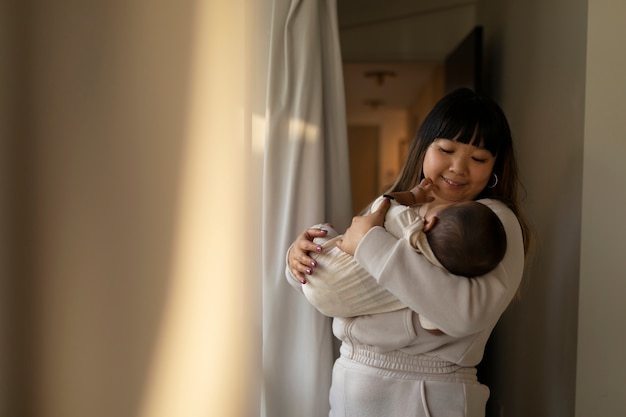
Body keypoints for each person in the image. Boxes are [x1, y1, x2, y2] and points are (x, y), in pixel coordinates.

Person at [285, 87, 532, 417]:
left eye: (478, 158)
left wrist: (372, 245)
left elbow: (465, 313)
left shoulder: (491, 223)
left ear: (495, 166)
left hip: (425, 395)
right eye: (446, 149)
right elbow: (346, 277)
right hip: (351, 383)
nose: (458, 167)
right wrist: (301, 260)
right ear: (424, 148)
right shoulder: (395, 205)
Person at [299, 179, 507, 336]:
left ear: (430, 223)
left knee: (322, 230)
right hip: (331, 306)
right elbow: (433, 327)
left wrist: (414, 196)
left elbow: (384, 202)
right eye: (446, 150)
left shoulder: (408, 223)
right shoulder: (435, 274)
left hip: (317, 269)